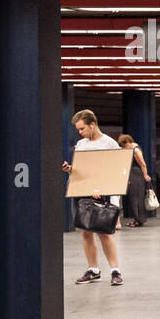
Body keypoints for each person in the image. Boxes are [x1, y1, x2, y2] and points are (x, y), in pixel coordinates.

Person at [62, 110, 124, 286]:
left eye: (82, 129)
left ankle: (115, 270)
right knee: (86, 231)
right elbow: (84, 169)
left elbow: (116, 170)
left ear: (92, 125)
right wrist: (70, 169)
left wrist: (102, 188)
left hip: (101, 192)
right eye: (78, 130)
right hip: (82, 190)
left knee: (103, 231)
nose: (80, 133)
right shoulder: (81, 144)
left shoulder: (109, 143)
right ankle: (93, 270)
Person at [117, 134, 152, 227]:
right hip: (134, 174)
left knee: (136, 198)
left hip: (136, 175)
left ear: (128, 142)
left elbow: (142, 164)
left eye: (124, 145)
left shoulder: (135, 150)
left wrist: (145, 175)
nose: (123, 147)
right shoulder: (134, 148)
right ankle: (138, 219)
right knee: (136, 197)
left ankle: (138, 219)